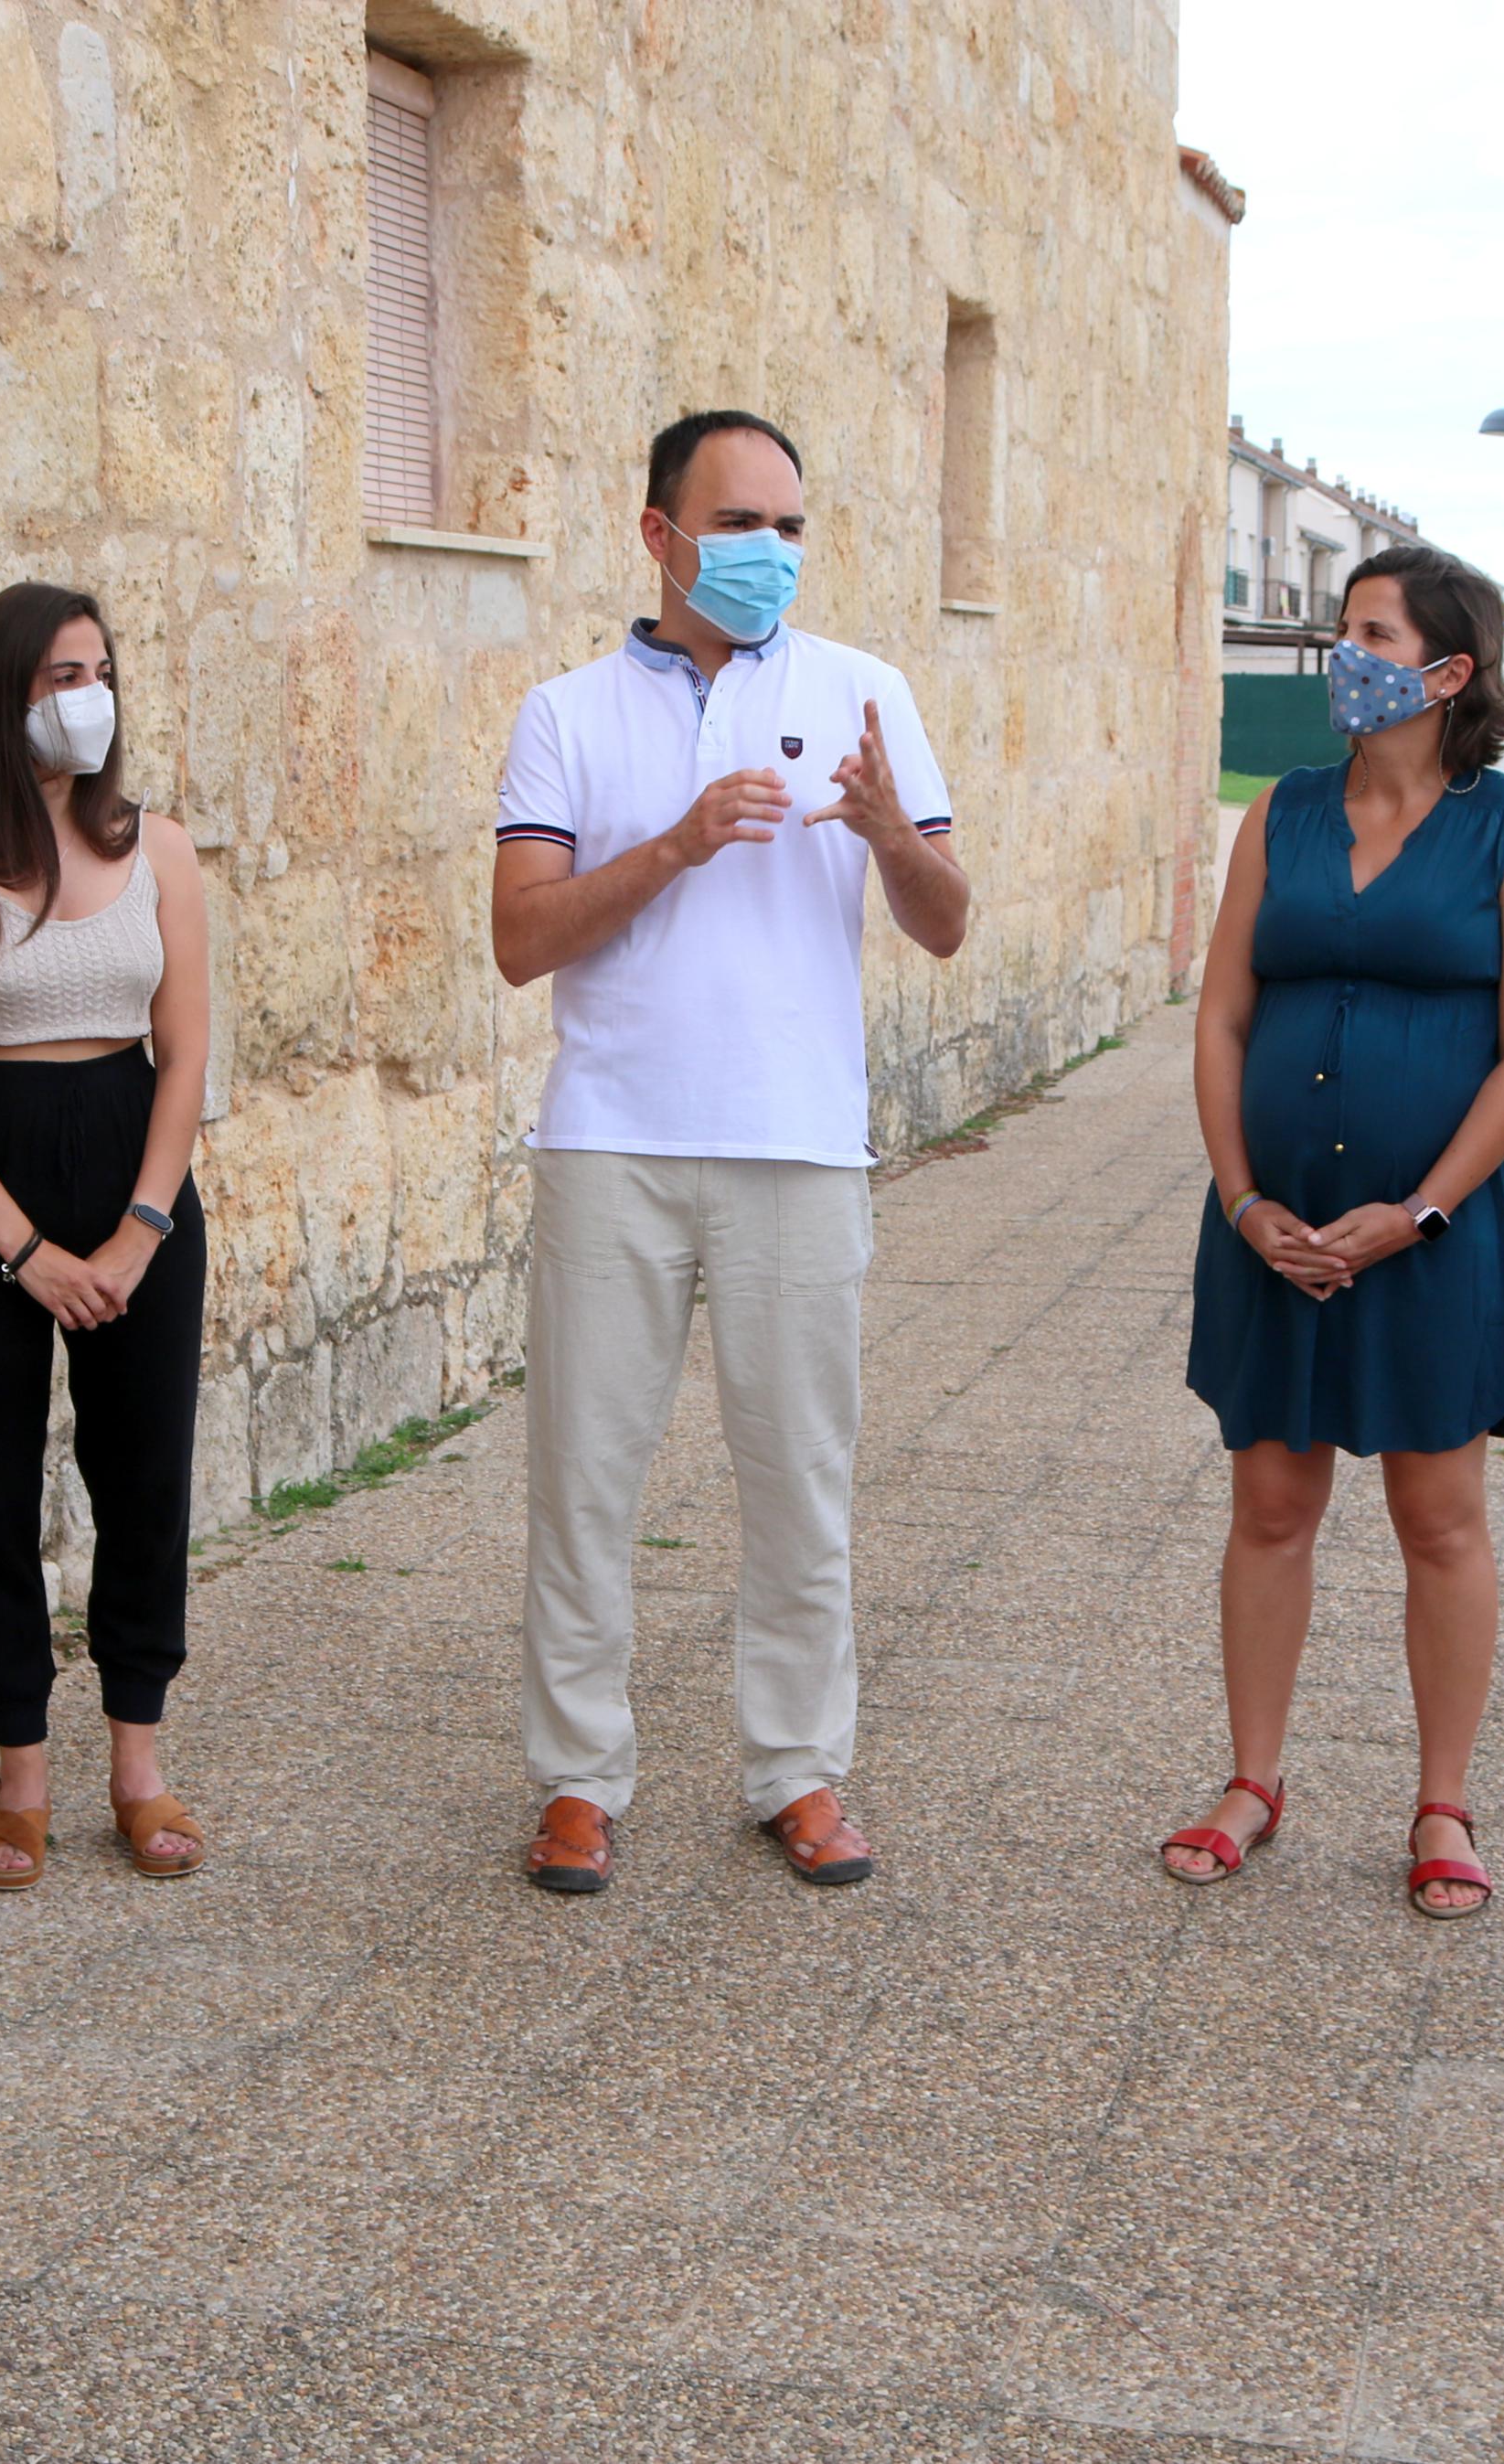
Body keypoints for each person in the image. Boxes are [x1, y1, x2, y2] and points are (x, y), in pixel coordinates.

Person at [488, 410, 971, 1893]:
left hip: (797, 1146)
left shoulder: (863, 692)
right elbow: (521, 939)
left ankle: (798, 1771)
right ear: (660, 534)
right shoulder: (566, 714)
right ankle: (579, 1779)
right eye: (743, 522)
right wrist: (678, 845)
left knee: (799, 1478)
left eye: (793, 525)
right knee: (584, 1482)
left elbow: (946, 920)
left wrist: (894, 833)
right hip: (612, 1145)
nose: (773, 552)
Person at [1167, 545, 1504, 1915]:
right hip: (1270, 1229)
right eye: (1343, 628)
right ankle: (1252, 1779)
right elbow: (1222, 1016)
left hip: (1436, 1236)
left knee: (1439, 1513)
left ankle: (1444, 1804)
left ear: (1447, 671)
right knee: (1271, 1503)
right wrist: (1243, 1200)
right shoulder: (1279, 814)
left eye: (1373, 632)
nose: (1345, 652)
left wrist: (1420, 1209)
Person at [0, 583, 214, 1894]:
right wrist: (23, 1251)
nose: (88, 695)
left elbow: (182, 1055)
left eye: (100, 669)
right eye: (59, 673)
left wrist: (138, 1230)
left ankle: (140, 1761)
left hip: (133, 1168)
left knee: (145, 1480)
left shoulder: (158, 848)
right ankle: (19, 1768)